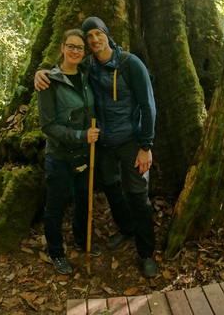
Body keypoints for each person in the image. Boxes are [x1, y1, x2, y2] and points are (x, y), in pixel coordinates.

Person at [35, 17, 158, 278]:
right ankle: (126, 230)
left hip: (130, 142)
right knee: (112, 188)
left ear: (106, 34)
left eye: (96, 34)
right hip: (102, 145)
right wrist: (40, 72)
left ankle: (146, 253)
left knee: (138, 194)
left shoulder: (130, 64)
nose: (93, 40)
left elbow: (148, 106)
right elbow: (62, 74)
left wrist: (146, 145)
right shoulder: (89, 67)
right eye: (87, 37)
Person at [36, 29, 101, 274]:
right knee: (56, 205)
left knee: (84, 201)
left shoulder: (86, 74)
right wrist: (80, 136)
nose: (75, 51)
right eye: (70, 46)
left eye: (79, 48)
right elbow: (48, 126)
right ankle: (56, 252)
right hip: (60, 156)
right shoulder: (48, 82)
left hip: (86, 154)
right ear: (62, 47)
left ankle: (82, 240)